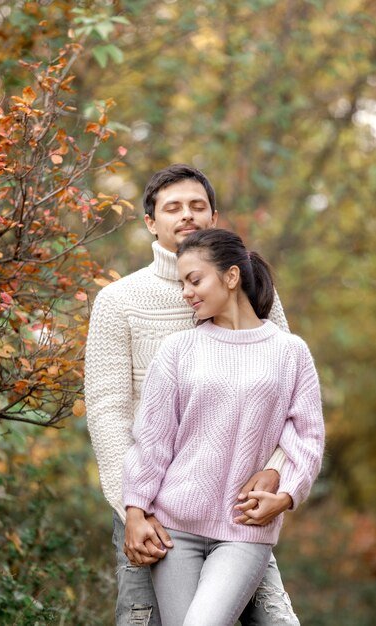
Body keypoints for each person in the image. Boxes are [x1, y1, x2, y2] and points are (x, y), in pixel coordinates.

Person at [85, 165, 300, 625]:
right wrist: (132, 508)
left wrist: (275, 473)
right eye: (173, 207)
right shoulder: (118, 301)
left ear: (214, 216)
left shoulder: (253, 289)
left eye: (197, 206)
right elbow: (107, 412)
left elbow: (289, 398)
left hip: (239, 513)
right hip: (155, 514)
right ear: (150, 222)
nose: (187, 215)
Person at [123, 228, 325, 626]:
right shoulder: (178, 349)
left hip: (244, 531)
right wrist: (134, 511)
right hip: (173, 530)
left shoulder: (290, 352)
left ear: (231, 277)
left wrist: (286, 496)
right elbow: (153, 440)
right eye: (182, 283)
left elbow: (307, 437)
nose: (186, 292)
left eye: (194, 280)